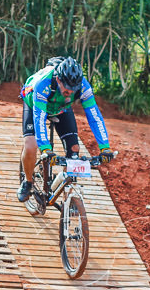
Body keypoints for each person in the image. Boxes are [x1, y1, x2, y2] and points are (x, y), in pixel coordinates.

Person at [17, 57, 112, 202]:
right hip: (34, 105)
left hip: (61, 109)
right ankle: (28, 181)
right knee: (31, 144)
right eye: (67, 89)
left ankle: (69, 200)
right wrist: (45, 149)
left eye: (74, 90)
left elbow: (94, 116)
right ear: (59, 80)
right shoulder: (43, 84)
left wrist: (105, 147)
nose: (71, 93)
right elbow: (39, 119)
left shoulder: (83, 86)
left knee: (74, 150)